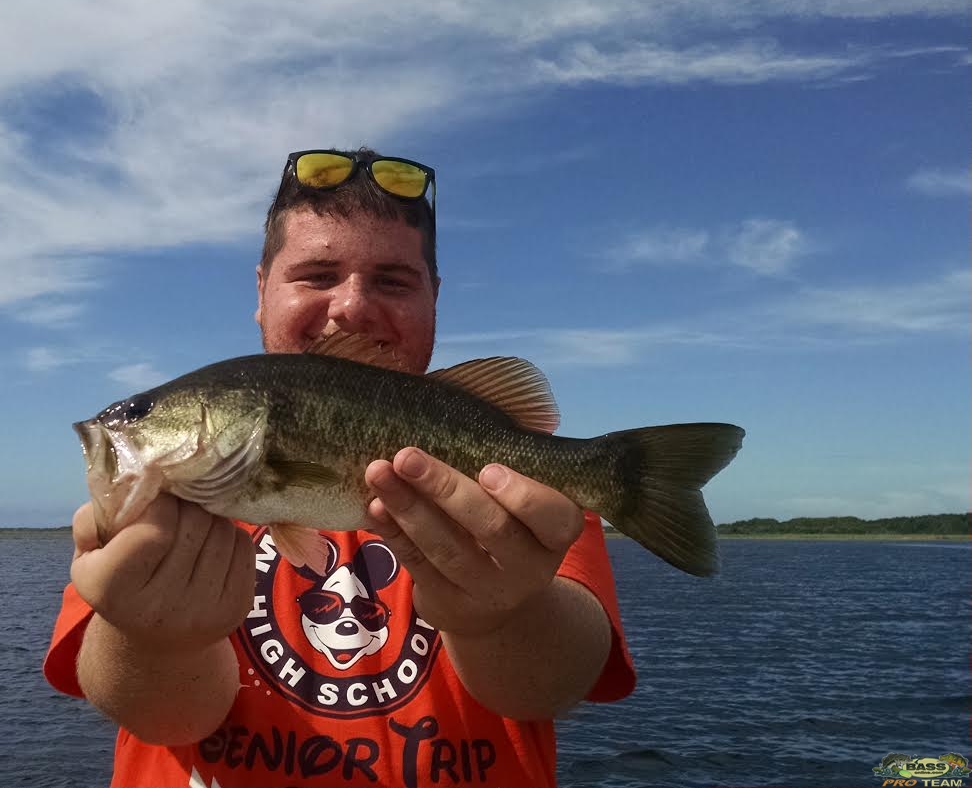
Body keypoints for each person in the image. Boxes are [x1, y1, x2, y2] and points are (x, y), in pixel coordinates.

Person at [44, 148, 636, 787]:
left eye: (392, 280)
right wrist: (153, 641)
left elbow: (545, 689)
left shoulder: (525, 505)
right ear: (262, 289)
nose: (351, 307)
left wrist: (504, 614)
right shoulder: (159, 508)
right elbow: (168, 719)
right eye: (317, 273)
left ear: (433, 297)